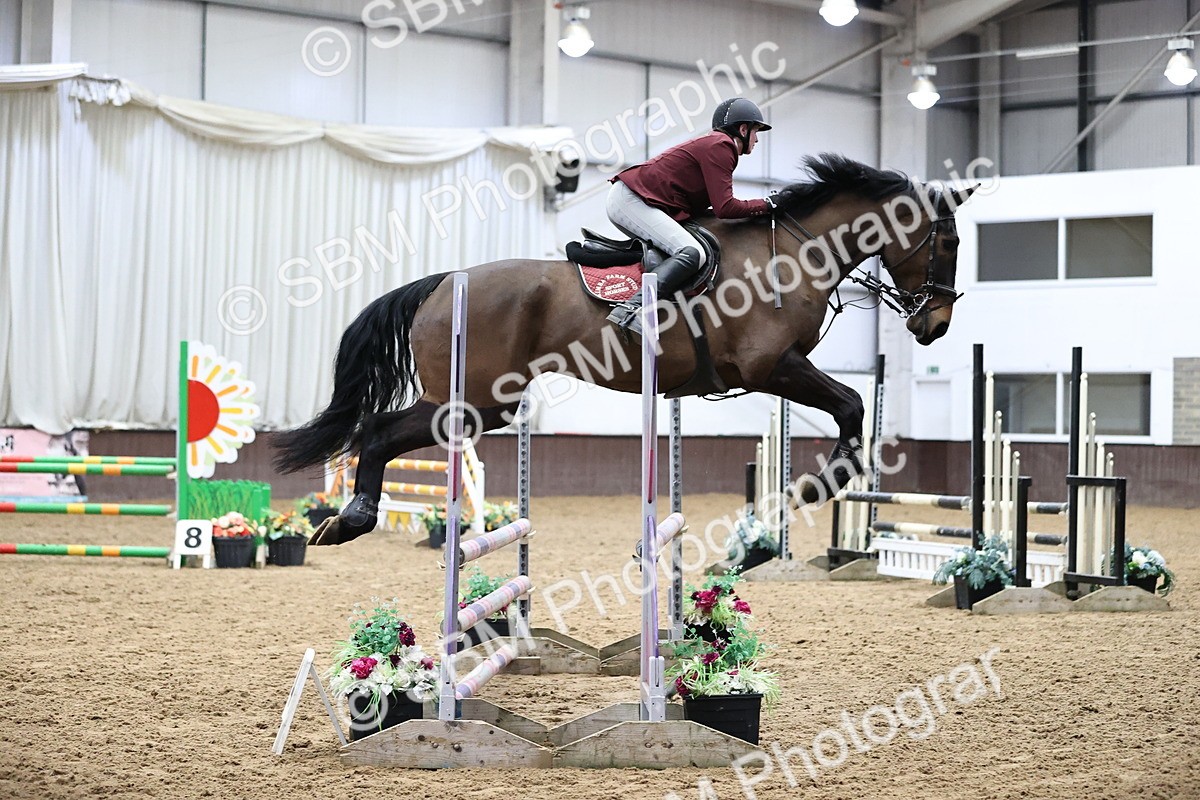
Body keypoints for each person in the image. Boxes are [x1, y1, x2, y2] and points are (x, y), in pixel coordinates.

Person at [604, 97, 775, 336]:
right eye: (756, 132)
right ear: (743, 129)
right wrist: (768, 205)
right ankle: (632, 309)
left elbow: (716, 210)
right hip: (631, 200)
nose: (756, 140)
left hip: (635, 199)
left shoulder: (716, 144)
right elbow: (726, 208)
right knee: (692, 252)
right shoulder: (722, 145)